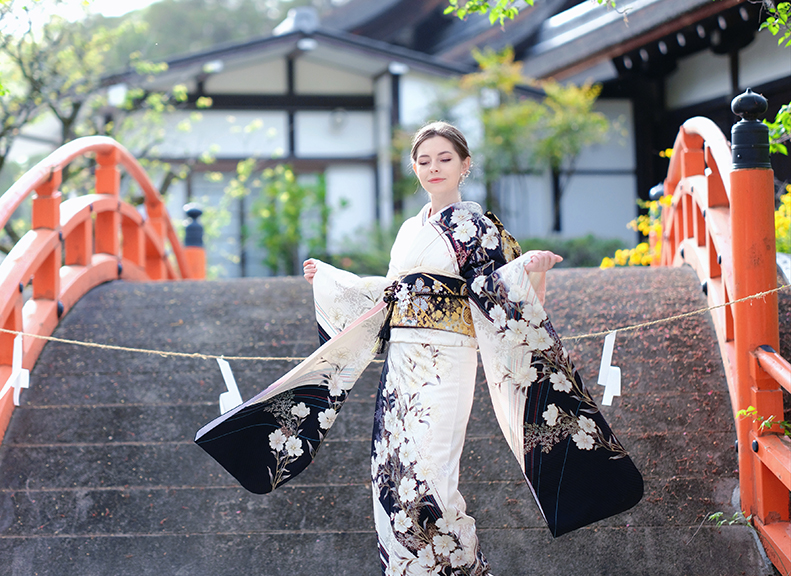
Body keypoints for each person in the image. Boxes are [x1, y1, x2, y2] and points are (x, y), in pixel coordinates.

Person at [195, 122, 642, 576]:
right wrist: (334, 282)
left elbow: (497, 290)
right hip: (401, 366)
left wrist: (530, 268)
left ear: (465, 165)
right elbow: (392, 295)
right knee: (392, 472)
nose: (434, 168)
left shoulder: (474, 225)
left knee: (430, 475)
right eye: (424, 161)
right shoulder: (410, 229)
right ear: (414, 168)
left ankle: (458, 569)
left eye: (445, 158)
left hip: (447, 361)